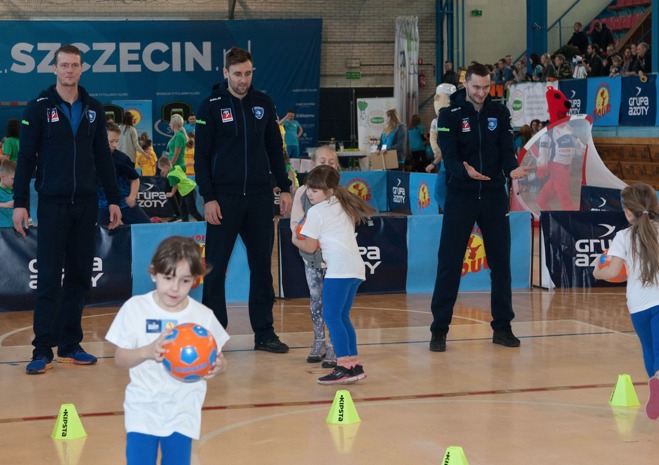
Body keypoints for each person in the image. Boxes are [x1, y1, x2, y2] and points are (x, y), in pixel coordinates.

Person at [13, 44, 122, 374]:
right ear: (55, 69)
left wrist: (114, 199)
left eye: (75, 65)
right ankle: (42, 349)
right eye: (64, 65)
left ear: (82, 69)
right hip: (52, 204)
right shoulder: (38, 108)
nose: (70, 70)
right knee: (48, 278)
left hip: (86, 204)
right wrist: (20, 203)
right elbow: (25, 158)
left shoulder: (94, 109)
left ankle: (70, 345)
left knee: (79, 277)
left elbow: (103, 157)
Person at [194, 46, 292, 353]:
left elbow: (275, 149)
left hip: (260, 199)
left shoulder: (264, 103)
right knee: (214, 268)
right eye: (237, 74)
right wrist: (208, 198)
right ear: (225, 73)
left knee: (262, 267)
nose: (243, 80)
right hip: (223, 200)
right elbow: (201, 157)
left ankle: (264, 333)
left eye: (248, 73)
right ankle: (213, 335)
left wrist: (285, 187)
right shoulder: (210, 106)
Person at [428, 63, 532, 353]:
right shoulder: (449, 114)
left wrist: (512, 169)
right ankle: (439, 330)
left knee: (501, 264)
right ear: (466, 84)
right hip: (460, 196)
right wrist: (464, 171)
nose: (481, 92)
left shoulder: (499, 112)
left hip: (493, 196)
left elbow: (506, 150)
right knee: (449, 264)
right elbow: (449, 156)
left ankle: (502, 327)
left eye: (486, 87)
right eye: (476, 87)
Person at [106, 235, 230, 464]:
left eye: (185, 281)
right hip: (142, 409)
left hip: (183, 412)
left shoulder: (202, 316)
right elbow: (120, 358)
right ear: (154, 273)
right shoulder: (135, 309)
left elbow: (220, 359)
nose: (175, 288)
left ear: (195, 280)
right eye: (168, 278)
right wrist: (146, 352)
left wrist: (219, 366)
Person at [292, 164, 375, 384]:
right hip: (355, 269)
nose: (310, 194)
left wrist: (294, 239)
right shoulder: (341, 203)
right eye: (309, 189)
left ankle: (344, 367)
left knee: (331, 317)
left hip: (339, 270)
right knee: (342, 317)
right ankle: (354, 365)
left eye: (315, 190)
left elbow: (310, 247)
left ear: (329, 190)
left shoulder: (316, 212)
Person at [592, 183, 659, 420]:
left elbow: (612, 272)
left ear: (628, 212)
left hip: (638, 305)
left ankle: (654, 381)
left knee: (649, 351)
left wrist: (597, 272)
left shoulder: (623, 236)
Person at [290, 146, 339, 368]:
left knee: (334, 303)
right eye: (322, 160)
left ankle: (335, 345)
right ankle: (319, 341)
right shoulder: (303, 193)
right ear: (312, 164)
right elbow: (296, 225)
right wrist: (302, 238)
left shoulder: (340, 193)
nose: (327, 164)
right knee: (316, 300)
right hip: (311, 259)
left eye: (332, 161)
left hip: (335, 260)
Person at [98, 121, 151, 226]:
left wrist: (132, 196)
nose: (115, 145)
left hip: (123, 203)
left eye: (117, 141)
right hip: (101, 205)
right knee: (103, 233)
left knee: (146, 228)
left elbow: (135, 179)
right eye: (111, 141)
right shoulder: (90, 158)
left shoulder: (122, 159)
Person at [157, 156, 203, 222]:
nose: (162, 171)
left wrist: (171, 193)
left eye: (161, 169)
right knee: (183, 208)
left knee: (192, 210)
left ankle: (202, 221)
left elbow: (175, 186)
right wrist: (194, 163)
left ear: (165, 167)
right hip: (187, 190)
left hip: (188, 191)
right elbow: (187, 164)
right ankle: (185, 221)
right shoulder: (177, 167)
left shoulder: (170, 175)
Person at [0, 159, 15, 227]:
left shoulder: (15, 190)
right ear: (3, 177)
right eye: (13, 179)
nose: (15, 181)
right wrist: (4, 205)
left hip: (14, 226)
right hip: (3, 229)